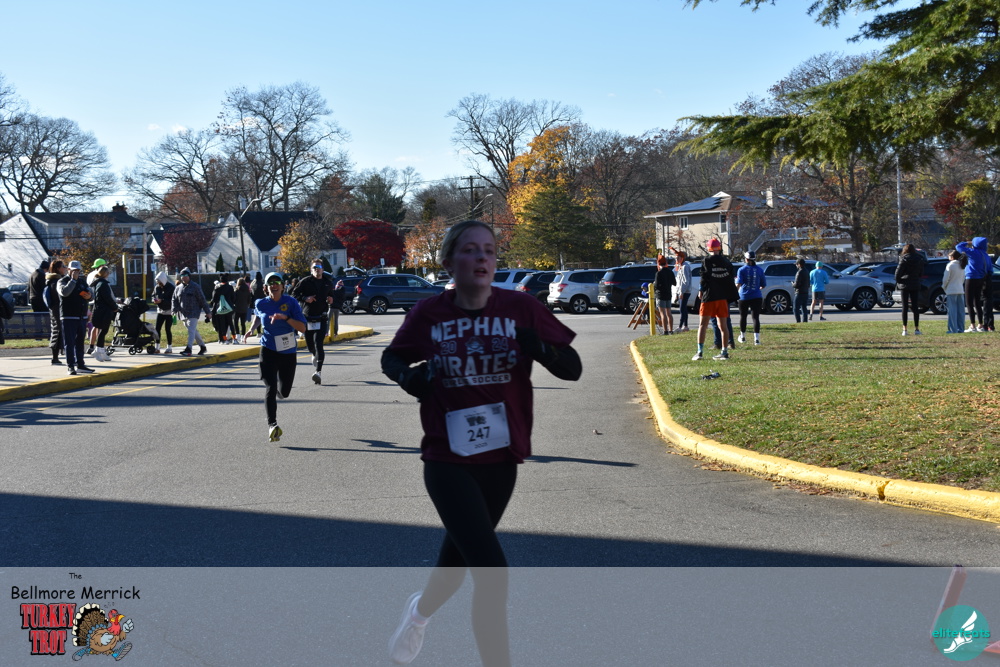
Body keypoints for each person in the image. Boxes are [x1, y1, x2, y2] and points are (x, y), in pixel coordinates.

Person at [381, 220, 582, 667]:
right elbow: (391, 357)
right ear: (448, 262)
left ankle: (417, 614)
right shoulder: (429, 313)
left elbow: (573, 369)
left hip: (501, 458)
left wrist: (540, 348)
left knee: (457, 564)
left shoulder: (521, 308)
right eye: (470, 250)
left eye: (489, 250)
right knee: (492, 574)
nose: (482, 258)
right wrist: (409, 379)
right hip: (446, 458)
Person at [243, 272, 306, 442]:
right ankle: (272, 425)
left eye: (277, 282)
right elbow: (258, 316)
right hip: (268, 349)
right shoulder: (261, 303)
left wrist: (285, 318)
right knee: (270, 387)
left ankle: (279, 389)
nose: (274, 285)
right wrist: (251, 329)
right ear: (266, 287)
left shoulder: (291, 302)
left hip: (288, 352)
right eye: (270, 283)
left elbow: (302, 328)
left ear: (283, 286)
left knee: (284, 392)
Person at [693, 237, 737, 361]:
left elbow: (704, 276)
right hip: (722, 297)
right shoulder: (726, 262)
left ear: (709, 249)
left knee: (703, 325)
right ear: (719, 248)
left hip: (709, 296)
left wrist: (701, 290)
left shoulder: (706, 260)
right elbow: (730, 278)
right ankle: (724, 352)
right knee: (723, 326)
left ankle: (700, 352)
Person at [291, 260, 335, 384]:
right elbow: (294, 294)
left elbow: (332, 295)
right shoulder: (305, 282)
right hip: (308, 317)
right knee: (310, 345)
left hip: (321, 317)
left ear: (322, 269)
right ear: (311, 270)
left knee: (318, 343)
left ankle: (318, 372)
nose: (317, 269)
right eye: (314, 267)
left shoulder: (327, 282)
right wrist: (305, 298)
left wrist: (331, 299)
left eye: (319, 267)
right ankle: (315, 354)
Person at [57, 261, 95, 376]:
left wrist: (90, 296)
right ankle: (70, 366)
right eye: (73, 270)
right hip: (68, 316)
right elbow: (64, 292)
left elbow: (91, 294)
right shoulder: (62, 281)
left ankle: (80, 365)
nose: (76, 272)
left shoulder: (82, 282)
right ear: (68, 270)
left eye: (77, 270)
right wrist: (72, 280)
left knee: (80, 342)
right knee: (69, 343)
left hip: (81, 316)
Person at [171, 268, 211, 356]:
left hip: (194, 312)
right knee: (193, 331)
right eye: (182, 275)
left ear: (189, 276)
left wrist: (208, 312)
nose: (183, 277)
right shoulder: (178, 288)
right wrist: (174, 310)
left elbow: (202, 300)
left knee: (191, 331)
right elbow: (174, 299)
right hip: (183, 313)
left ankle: (188, 349)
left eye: (185, 275)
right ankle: (203, 347)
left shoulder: (195, 286)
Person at [956, 237, 990, 332]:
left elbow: (958, 247)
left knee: (969, 302)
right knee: (977, 302)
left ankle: (972, 325)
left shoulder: (972, 252)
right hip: (981, 278)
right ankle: (980, 324)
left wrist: (968, 242)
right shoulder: (985, 254)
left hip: (971, 278)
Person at [895, 244, 926, 336]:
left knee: (905, 307)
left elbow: (898, 273)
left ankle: (905, 329)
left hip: (904, 284)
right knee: (915, 307)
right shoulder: (919, 259)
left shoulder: (903, 259)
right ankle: (917, 329)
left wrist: (899, 281)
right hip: (915, 283)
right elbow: (921, 273)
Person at [736, 250, 766, 345]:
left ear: (746, 259)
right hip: (756, 296)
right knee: (755, 317)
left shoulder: (741, 270)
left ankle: (742, 337)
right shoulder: (760, 270)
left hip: (744, 296)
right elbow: (763, 285)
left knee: (743, 317)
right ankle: (756, 339)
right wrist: (756, 287)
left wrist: (734, 294)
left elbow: (738, 283)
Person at [88, 265, 117, 362]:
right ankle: (98, 350)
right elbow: (107, 298)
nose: (109, 273)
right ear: (105, 273)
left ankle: (101, 351)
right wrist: (115, 307)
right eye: (108, 272)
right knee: (103, 330)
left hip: (100, 310)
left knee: (103, 330)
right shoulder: (103, 284)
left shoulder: (98, 283)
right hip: (104, 311)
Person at [43, 260, 66, 365]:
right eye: (63, 266)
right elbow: (59, 297)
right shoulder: (56, 282)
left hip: (54, 309)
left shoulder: (51, 281)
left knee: (57, 330)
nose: (65, 268)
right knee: (58, 331)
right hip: (57, 310)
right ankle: (55, 357)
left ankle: (56, 356)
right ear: (57, 269)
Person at [942, 249, 966, 334]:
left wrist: (944, 287)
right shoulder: (962, 265)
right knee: (960, 311)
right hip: (960, 289)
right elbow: (963, 278)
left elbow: (945, 279)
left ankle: (953, 329)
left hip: (951, 290)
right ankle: (961, 328)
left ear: (952, 257)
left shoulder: (950, 265)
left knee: (952, 311)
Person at [210, 273, 237, 344]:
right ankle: (234, 338)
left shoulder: (217, 288)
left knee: (222, 325)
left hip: (220, 308)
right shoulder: (230, 287)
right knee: (230, 323)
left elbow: (214, 299)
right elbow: (233, 298)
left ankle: (224, 339)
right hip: (229, 308)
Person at [152, 271, 175, 353]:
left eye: (160, 282)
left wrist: (162, 301)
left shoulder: (171, 288)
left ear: (163, 280)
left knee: (167, 329)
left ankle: (169, 347)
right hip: (160, 311)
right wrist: (154, 300)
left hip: (169, 311)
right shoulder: (157, 287)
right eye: (157, 282)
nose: (158, 284)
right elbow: (153, 296)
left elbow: (173, 300)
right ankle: (157, 347)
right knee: (157, 329)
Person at [653, 254, 675, 335]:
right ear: (665, 263)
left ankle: (665, 331)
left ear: (658, 263)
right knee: (669, 313)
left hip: (660, 295)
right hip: (668, 294)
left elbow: (656, 285)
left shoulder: (658, 273)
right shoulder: (670, 272)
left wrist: (654, 285)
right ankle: (671, 330)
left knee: (662, 313)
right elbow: (674, 283)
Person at [673, 250, 692, 332]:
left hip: (685, 291)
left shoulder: (685, 267)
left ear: (682, 258)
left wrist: (681, 292)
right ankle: (685, 326)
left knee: (682, 309)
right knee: (683, 309)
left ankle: (680, 326)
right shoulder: (680, 266)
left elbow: (685, 281)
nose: (676, 259)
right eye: (675, 258)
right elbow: (679, 281)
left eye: (678, 258)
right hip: (680, 291)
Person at [792, 258, 810, 323]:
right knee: (804, 308)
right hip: (805, 292)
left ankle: (798, 322)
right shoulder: (807, 271)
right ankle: (805, 321)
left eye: (796, 264)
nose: (796, 265)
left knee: (795, 309)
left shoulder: (799, 272)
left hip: (799, 293)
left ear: (799, 264)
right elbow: (808, 283)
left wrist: (793, 284)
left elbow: (797, 284)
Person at [248, 271, 266, 336]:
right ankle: (264, 330)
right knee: (264, 317)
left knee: (257, 316)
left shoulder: (253, 284)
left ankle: (258, 332)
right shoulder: (262, 284)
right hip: (263, 301)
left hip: (256, 301)